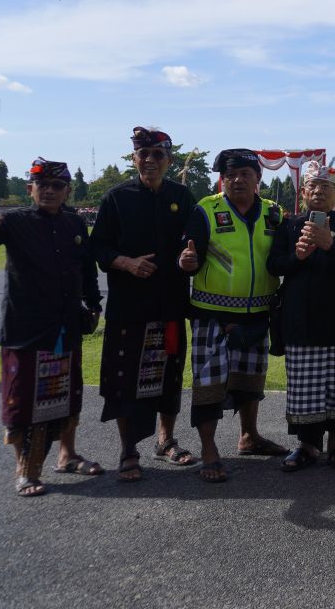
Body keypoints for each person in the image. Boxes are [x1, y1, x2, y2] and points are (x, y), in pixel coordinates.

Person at [0, 158, 103, 496]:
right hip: (25, 328)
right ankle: (24, 469)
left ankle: (67, 456)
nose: (50, 191)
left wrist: (94, 304)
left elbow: (85, 270)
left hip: (64, 324)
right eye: (43, 185)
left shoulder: (74, 224)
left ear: (68, 190)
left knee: (68, 392)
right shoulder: (13, 222)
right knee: (22, 399)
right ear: (31, 189)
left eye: (58, 186)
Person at [91, 126, 196, 483]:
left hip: (169, 304)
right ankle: (128, 450)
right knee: (125, 379)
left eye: (157, 155)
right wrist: (126, 262)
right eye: (143, 155)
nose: (150, 161)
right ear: (134, 158)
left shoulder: (182, 196)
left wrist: (189, 258)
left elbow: (195, 241)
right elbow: (98, 248)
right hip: (129, 306)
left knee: (170, 373)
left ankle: (166, 440)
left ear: (168, 160)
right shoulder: (116, 198)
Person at [179, 148, 286, 483]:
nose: (238, 180)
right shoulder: (206, 210)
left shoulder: (273, 213)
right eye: (231, 175)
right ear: (221, 180)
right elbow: (187, 252)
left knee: (250, 382)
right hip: (212, 315)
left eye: (245, 174)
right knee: (209, 385)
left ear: (259, 179)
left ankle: (248, 436)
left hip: (257, 314)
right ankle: (209, 449)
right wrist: (187, 262)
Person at [268, 160, 335, 473]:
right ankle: (307, 445)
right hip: (298, 317)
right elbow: (275, 266)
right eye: (313, 186)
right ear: (304, 191)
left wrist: (330, 245)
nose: (319, 191)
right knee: (303, 387)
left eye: (326, 187)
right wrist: (297, 256)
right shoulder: (290, 225)